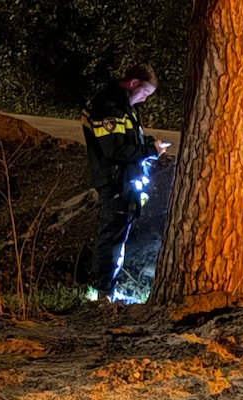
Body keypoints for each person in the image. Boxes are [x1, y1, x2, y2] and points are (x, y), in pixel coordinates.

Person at [81, 63, 170, 301]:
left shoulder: (124, 105)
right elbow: (114, 151)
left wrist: (149, 144)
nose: (143, 99)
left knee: (118, 234)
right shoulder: (107, 106)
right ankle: (101, 291)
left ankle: (106, 288)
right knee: (111, 235)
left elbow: (130, 138)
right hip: (114, 182)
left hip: (125, 181)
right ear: (133, 83)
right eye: (143, 93)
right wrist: (149, 150)